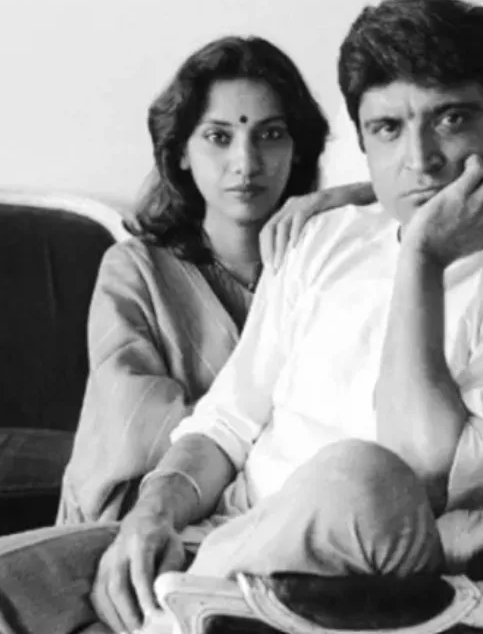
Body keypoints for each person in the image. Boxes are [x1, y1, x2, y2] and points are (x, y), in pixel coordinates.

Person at [0, 0, 483, 634]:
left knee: (366, 476)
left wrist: (422, 260)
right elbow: (227, 422)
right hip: (222, 536)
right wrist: (152, 515)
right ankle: (181, 597)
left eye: (452, 119)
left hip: (364, 575)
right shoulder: (327, 236)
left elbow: (426, 466)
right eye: (388, 129)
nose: (420, 159)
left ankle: (179, 603)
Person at [56, 35, 374, 525]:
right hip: (148, 516)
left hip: (298, 519)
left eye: (271, 135)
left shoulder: (327, 260)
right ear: (182, 151)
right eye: (219, 137)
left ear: (298, 149)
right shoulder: (136, 270)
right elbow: (137, 428)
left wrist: (347, 197)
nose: (246, 163)